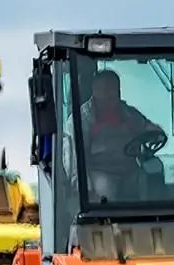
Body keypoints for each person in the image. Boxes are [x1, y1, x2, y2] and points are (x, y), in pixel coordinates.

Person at [66, 69, 167, 199]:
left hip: (129, 168)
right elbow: (73, 157)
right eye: (107, 89)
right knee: (106, 187)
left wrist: (155, 132)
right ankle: (106, 218)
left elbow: (146, 126)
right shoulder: (81, 120)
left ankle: (157, 214)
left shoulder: (128, 113)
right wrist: (82, 184)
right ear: (95, 91)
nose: (112, 93)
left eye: (115, 89)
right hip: (100, 171)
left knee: (153, 172)